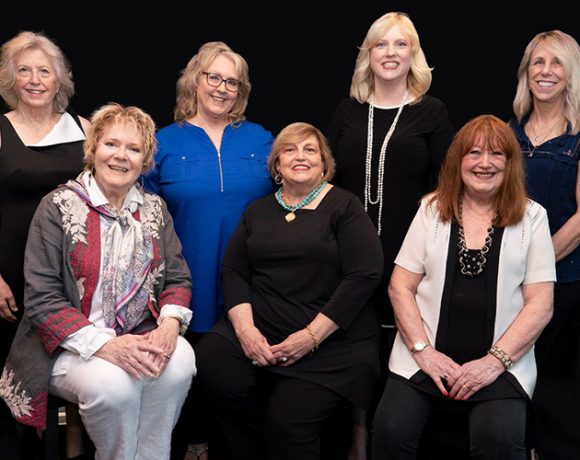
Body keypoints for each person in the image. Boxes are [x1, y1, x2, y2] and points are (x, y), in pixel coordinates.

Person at [0, 103, 196, 460]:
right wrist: (108, 346)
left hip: (139, 334)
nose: (121, 156)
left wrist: (169, 326)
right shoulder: (57, 206)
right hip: (65, 346)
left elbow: (178, 276)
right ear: (93, 148)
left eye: (134, 149)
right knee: (114, 385)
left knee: (182, 359)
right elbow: (42, 299)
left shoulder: (154, 208)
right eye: (111, 144)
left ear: (145, 160)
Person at [195, 122, 383, 460]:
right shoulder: (258, 210)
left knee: (287, 423)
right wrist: (246, 332)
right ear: (277, 165)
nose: (300, 156)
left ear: (324, 164)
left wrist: (310, 337)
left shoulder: (344, 206)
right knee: (212, 362)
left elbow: (364, 274)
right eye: (290, 150)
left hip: (330, 344)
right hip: (262, 329)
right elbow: (234, 270)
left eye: (310, 150)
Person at [371, 114, 555, 459]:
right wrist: (424, 352)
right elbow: (400, 286)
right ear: (458, 160)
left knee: (498, 441)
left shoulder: (533, 217)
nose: (485, 163)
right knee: (390, 432)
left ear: (510, 164)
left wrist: (494, 362)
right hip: (422, 359)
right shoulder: (431, 210)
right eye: (474, 153)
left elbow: (540, 304)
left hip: (502, 366)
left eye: (497, 154)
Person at [326, 11, 455, 458]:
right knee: (352, 350)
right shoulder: (347, 111)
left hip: (408, 255)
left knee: (400, 349)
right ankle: (356, 438)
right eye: (381, 44)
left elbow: (449, 183)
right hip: (345, 255)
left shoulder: (431, 112)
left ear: (413, 54)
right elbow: (325, 176)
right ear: (368, 53)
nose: (390, 53)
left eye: (401, 44)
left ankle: (394, 440)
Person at [142, 41, 273, 460]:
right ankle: (191, 444)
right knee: (186, 376)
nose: (221, 88)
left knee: (241, 380)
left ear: (241, 90)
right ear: (194, 81)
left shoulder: (261, 139)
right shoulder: (163, 143)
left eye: (232, 82)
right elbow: (142, 217)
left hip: (254, 285)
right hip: (186, 281)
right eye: (213, 77)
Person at [0, 30, 91, 460]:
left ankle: (73, 450)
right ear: (10, 79)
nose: (35, 80)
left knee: (76, 371)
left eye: (44, 71)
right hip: (11, 276)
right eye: (24, 71)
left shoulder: (85, 129)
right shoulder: (1, 131)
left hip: (73, 274)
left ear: (60, 79)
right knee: (16, 379)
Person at [509, 30, 580, 458]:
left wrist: (533, 266)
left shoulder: (578, 138)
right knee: (512, 375)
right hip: (505, 280)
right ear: (526, 72)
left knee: (551, 383)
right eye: (538, 62)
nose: (546, 71)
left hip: (562, 279)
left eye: (557, 63)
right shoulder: (507, 134)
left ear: (571, 74)